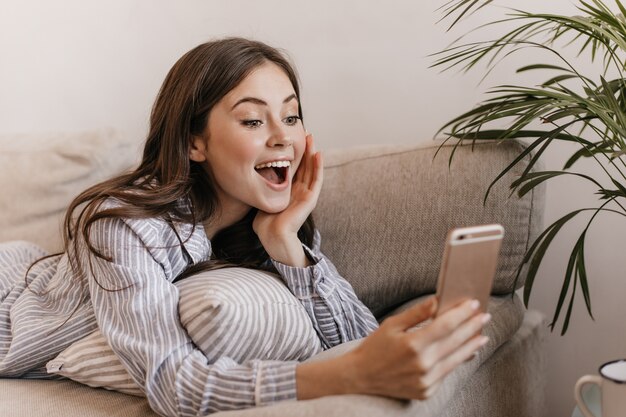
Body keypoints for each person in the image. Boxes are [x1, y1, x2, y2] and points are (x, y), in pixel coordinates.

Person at [0, 37, 491, 416]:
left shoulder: (272, 226)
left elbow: (360, 339)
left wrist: (287, 246)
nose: (283, 137)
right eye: (253, 121)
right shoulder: (127, 227)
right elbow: (175, 386)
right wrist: (344, 375)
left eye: (292, 115)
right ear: (196, 144)